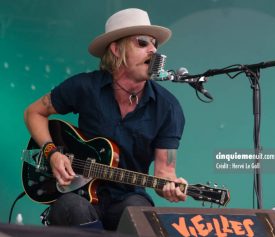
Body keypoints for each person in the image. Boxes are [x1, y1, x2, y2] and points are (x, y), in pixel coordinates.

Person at [24, 8, 187, 231]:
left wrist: (172, 186)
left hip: (129, 196)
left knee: (139, 214)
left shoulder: (168, 107)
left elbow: (164, 174)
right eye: (142, 43)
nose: (153, 50)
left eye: (154, 44)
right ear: (116, 49)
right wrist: (52, 153)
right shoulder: (85, 87)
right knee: (72, 207)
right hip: (77, 193)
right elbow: (34, 113)